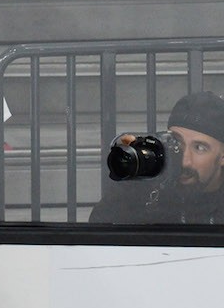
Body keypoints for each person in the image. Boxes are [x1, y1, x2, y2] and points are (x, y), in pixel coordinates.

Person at [90, 91, 224, 226]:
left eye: (200, 148)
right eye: (176, 143)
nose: (184, 161)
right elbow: (98, 232)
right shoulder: (144, 191)